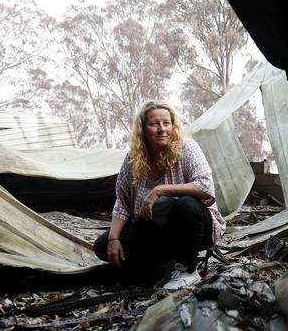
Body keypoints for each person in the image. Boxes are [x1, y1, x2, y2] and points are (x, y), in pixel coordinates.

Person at [94, 101, 225, 289]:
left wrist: (160, 189)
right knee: (102, 246)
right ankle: (158, 266)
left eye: (166, 123)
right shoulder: (133, 158)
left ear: (173, 126)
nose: (162, 129)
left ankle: (188, 270)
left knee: (186, 204)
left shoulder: (186, 148)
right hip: (154, 231)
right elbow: (122, 203)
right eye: (154, 124)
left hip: (193, 228)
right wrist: (114, 239)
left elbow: (205, 188)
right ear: (143, 129)